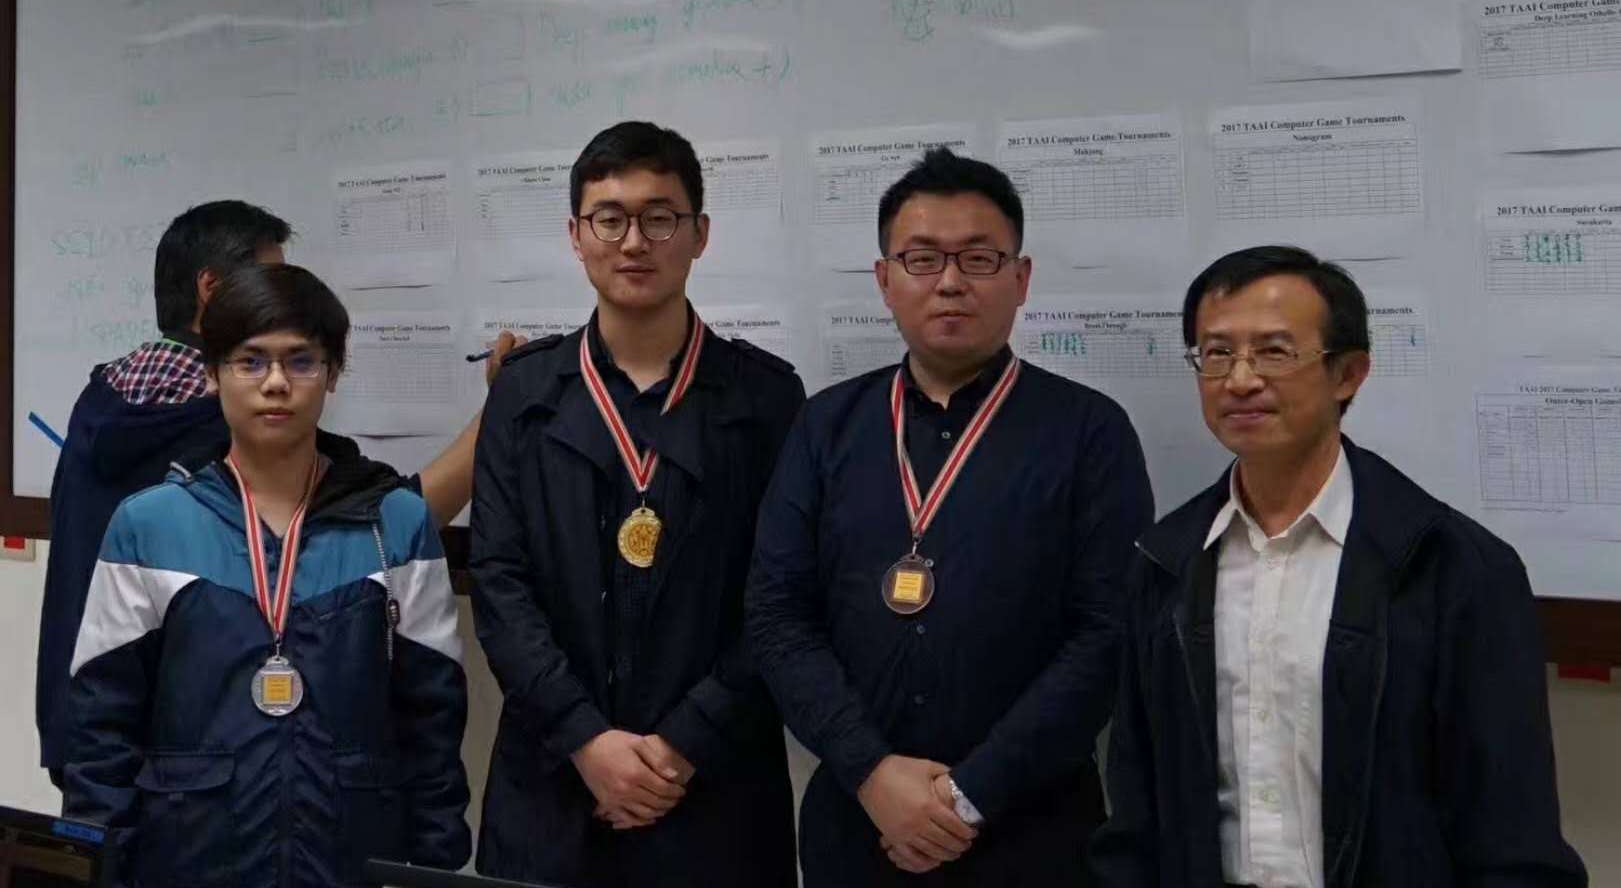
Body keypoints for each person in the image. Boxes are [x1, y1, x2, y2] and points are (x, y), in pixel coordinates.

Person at [1089, 245, 1587, 888]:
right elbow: (1136, 813)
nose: (1240, 379)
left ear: (1348, 373)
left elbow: (1513, 837)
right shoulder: (1167, 564)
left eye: (1274, 352)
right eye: (1216, 354)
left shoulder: (1453, 566)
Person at [746, 147, 1154, 886]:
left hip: (1031, 830)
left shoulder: (1090, 432)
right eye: (922, 258)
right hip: (857, 827)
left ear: (1020, 278)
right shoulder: (825, 427)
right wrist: (872, 773)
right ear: (884, 279)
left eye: (979, 258)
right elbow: (777, 616)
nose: (950, 282)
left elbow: (1107, 635)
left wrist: (967, 798)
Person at [35, 200, 518, 784]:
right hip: (197, 755)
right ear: (213, 290)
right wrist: (503, 407)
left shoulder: (102, 399)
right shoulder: (223, 427)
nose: (275, 380)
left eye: (300, 360)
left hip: (85, 722)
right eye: (271, 278)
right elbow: (391, 520)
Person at [470, 121, 804, 887]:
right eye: (609, 218)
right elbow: (498, 581)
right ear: (575, 235)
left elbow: (781, 596)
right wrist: (586, 740)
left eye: (659, 218)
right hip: (553, 784)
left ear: (699, 234)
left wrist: (684, 743)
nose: (633, 242)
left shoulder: (766, 399)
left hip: (714, 787)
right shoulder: (524, 393)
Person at [63, 263, 471, 887]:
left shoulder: (396, 523)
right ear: (212, 373)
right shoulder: (147, 526)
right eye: (250, 361)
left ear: (333, 372)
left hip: (350, 865)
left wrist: (431, 871)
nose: (276, 383)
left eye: (300, 361)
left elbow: (434, 730)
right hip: (187, 865)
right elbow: (100, 736)